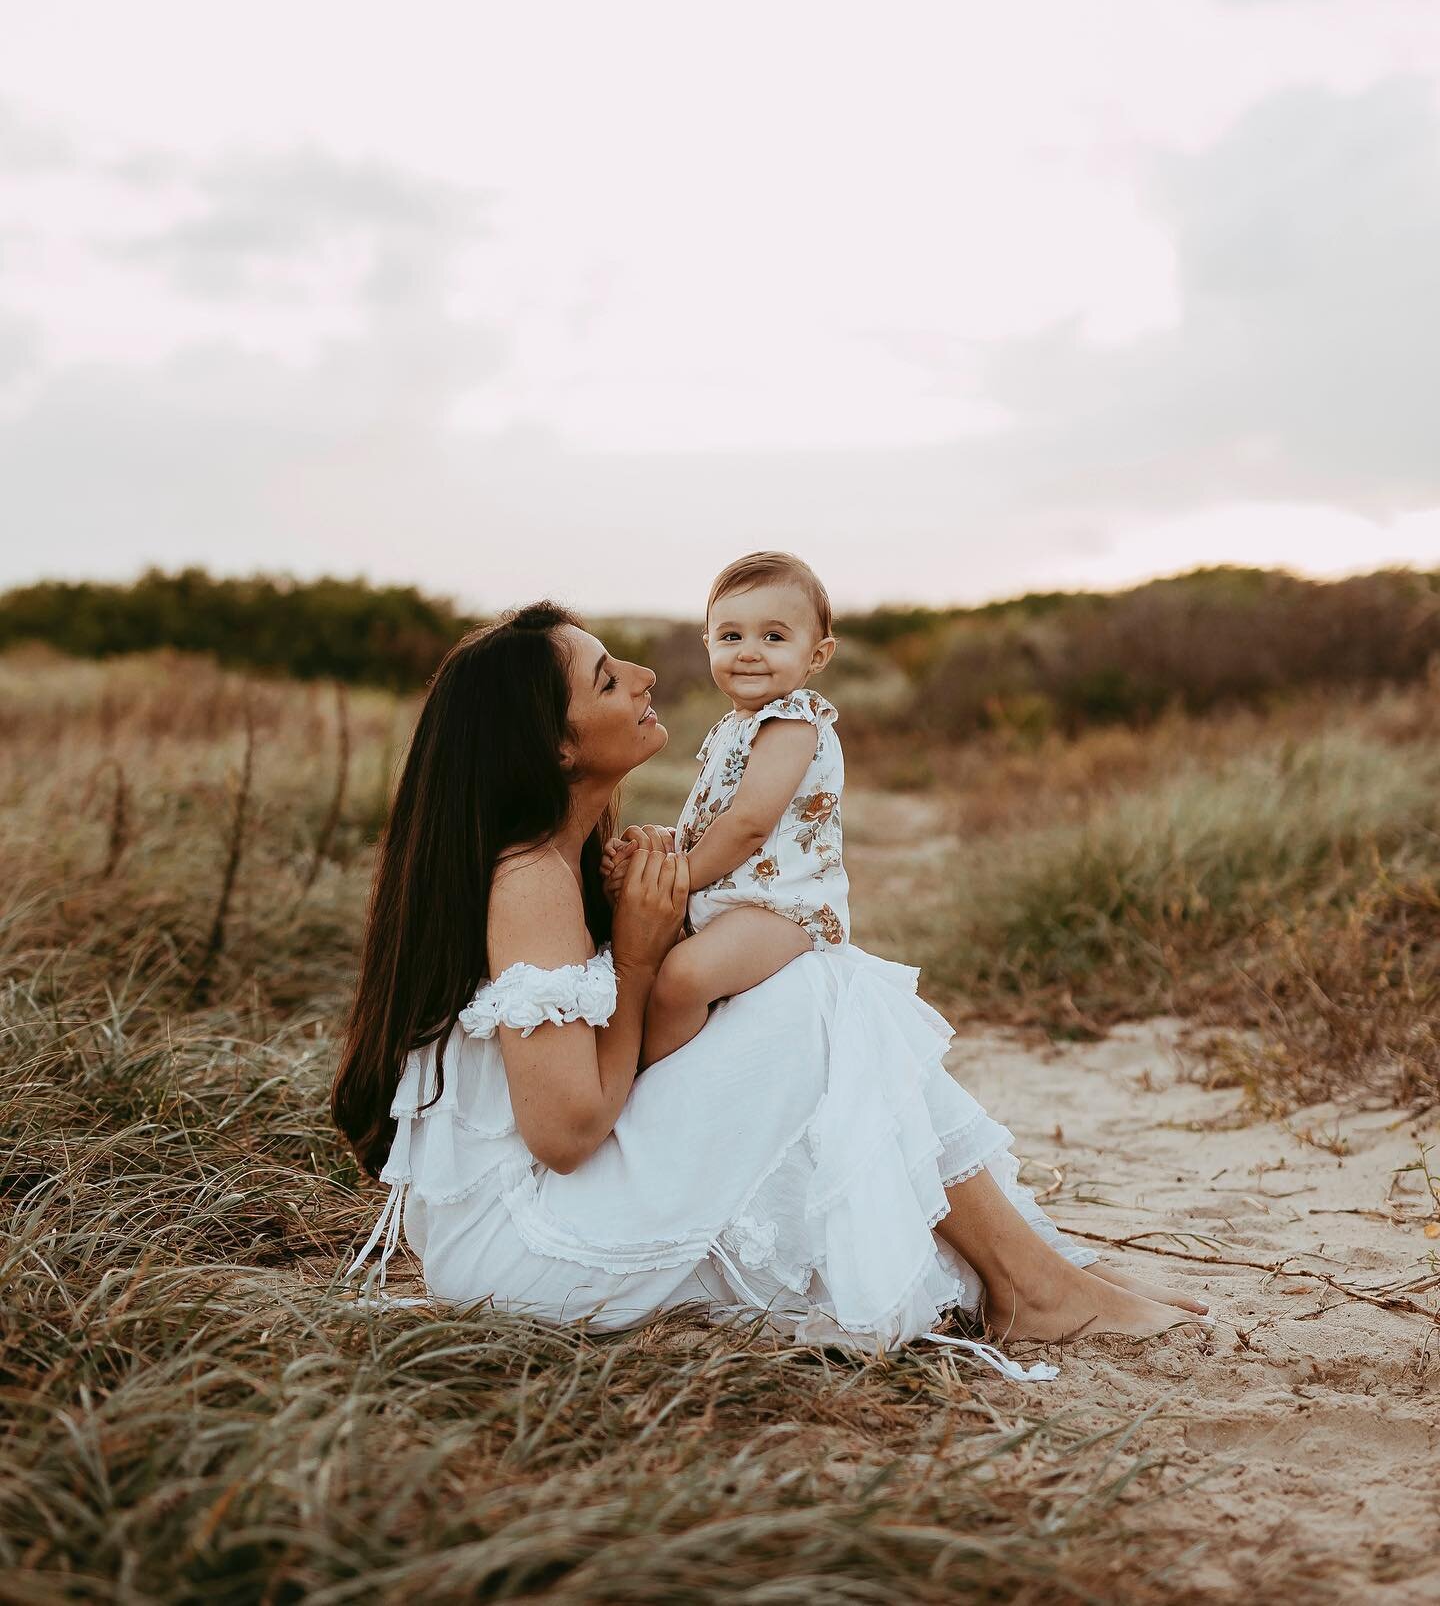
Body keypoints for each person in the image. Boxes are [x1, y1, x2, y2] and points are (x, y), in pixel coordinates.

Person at [332, 601, 1212, 1363]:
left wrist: (655, 920)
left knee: (810, 983)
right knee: (820, 989)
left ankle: (1039, 1275)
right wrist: (638, 960)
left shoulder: (573, 855)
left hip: (543, 1214)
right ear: (557, 749)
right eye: (607, 681)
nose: (642, 676)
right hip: (522, 1251)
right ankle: (1033, 1281)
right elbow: (566, 1132)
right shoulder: (528, 881)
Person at [601, 551, 849, 1070]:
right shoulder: (736, 726)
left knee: (683, 977)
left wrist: (679, 875)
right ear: (708, 643)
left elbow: (750, 823)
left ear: (818, 655)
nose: (750, 653)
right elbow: (714, 817)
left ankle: (650, 1088)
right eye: (731, 636)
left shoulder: (792, 722)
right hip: (735, 897)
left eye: (774, 637)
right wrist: (662, 850)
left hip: (781, 907)